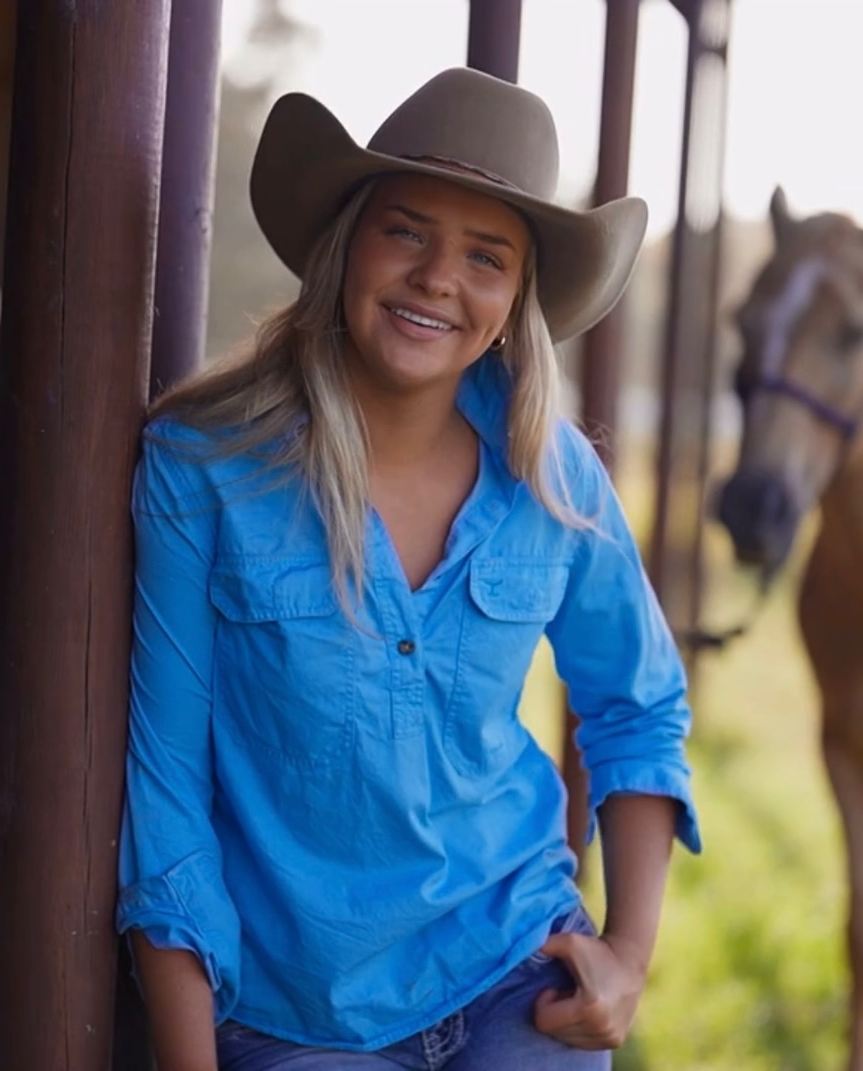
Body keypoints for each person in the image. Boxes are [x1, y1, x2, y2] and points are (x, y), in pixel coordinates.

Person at [115, 66, 701, 1071]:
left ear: (516, 297)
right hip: (292, 1011)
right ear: (349, 242)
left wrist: (630, 954)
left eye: (487, 255)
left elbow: (636, 704)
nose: (439, 277)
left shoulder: (551, 476)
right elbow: (163, 797)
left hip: (517, 966)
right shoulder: (203, 468)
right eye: (407, 230)